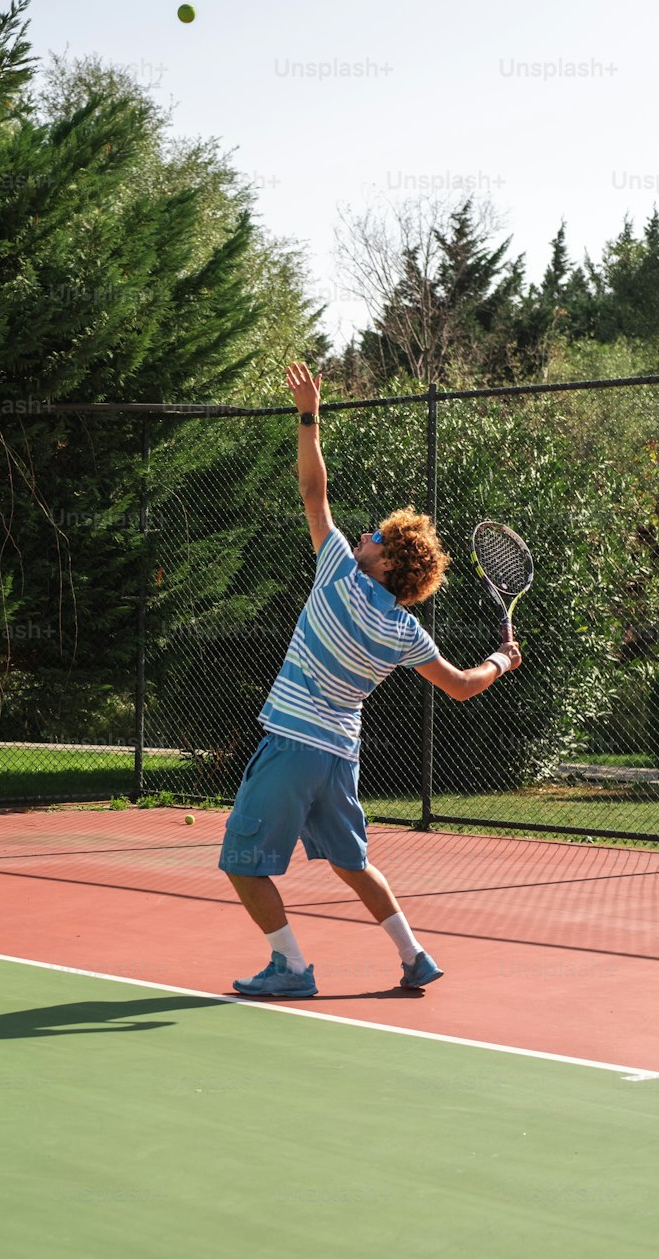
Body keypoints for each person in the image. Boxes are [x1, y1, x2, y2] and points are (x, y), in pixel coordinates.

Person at [220, 361, 522, 998]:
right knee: (353, 864)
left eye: (377, 534)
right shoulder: (407, 634)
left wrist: (309, 416)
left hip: (292, 747)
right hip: (340, 759)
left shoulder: (338, 573)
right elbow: (464, 686)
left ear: (383, 562)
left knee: (242, 867)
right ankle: (415, 957)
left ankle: (292, 969)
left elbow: (312, 492)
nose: (364, 532)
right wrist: (501, 661)